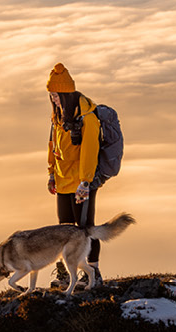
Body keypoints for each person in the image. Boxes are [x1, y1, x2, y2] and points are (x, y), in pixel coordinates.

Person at [46, 62, 107, 284]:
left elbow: (90, 151)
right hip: (63, 182)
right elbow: (52, 145)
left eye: (56, 95)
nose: (53, 99)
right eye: (51, 95)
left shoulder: (87, 117)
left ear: (66, 94)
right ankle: (67, 274)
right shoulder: (58, 117)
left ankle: (93, 273)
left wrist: (85, 182)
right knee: (64, 231)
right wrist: (52, 173)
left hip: (81, 182)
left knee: (85, 230)